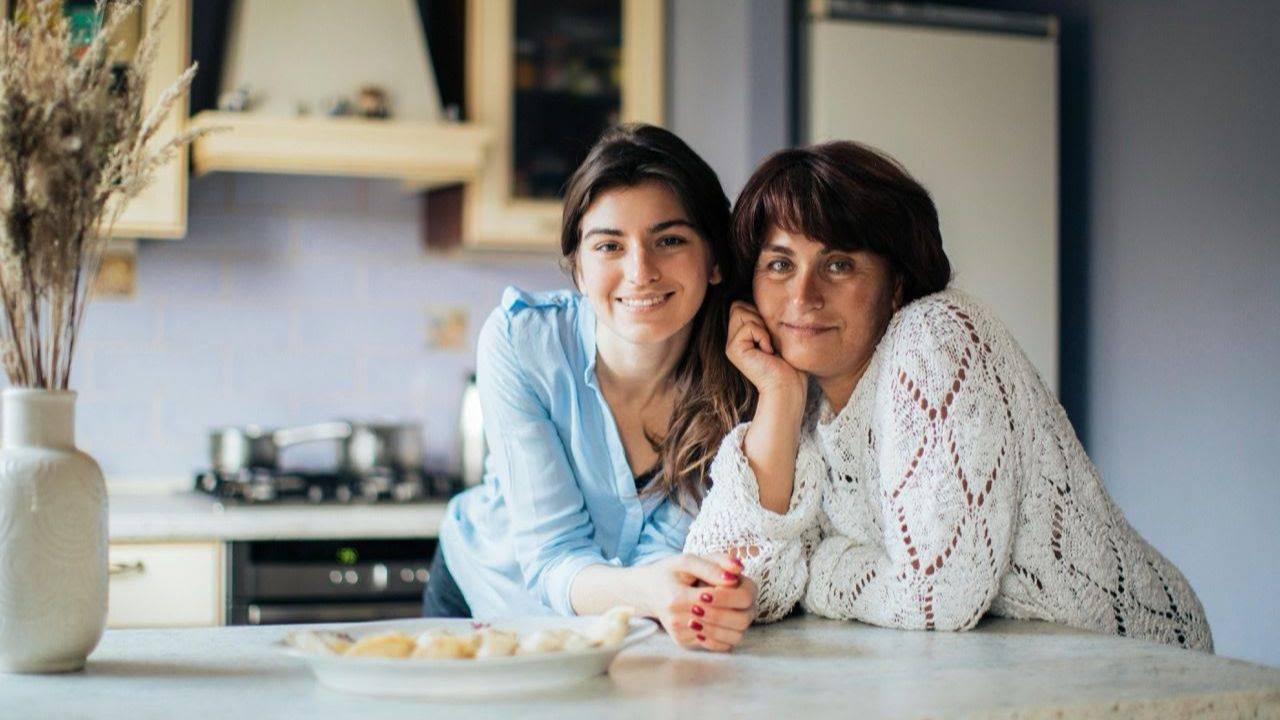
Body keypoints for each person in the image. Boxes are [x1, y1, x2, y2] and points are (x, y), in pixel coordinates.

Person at [685, 141, 1213, 651]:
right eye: (780, 265)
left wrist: (819, 569)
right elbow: (725, 587)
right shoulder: (802, 397)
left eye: (839, 264)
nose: (804, 296)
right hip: (1012, 669)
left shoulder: (935, 337)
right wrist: (778, 397)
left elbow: (938, 597)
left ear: (896, 284)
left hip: (1141, 658)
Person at [430, 124, 758, 653]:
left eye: (669, 240)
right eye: (609, 246)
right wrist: (652, 590)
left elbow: (674, 556)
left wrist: (687, 592)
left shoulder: (741, 373)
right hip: (490, 598)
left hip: (630, 623)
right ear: (578, 269)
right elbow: (552, 556)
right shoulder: (522, 342)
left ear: (714, 259)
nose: (640, 272)